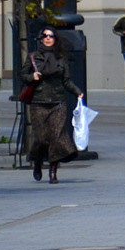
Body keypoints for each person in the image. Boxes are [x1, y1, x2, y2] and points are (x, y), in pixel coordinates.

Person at [20, 27, 84, 183]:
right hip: (38, 102)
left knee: (56, 137)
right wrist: (32, 76)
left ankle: (53, 172)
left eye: (51, 36)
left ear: (55, 39)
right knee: (42, 139)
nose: (48, 38)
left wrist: (77, 92)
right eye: (45, 36)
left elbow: (66, 80)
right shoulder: (33, 57)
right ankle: (37, 162)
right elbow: (23, 75)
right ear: (41, 39)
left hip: (58, 102)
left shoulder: (61, 58)